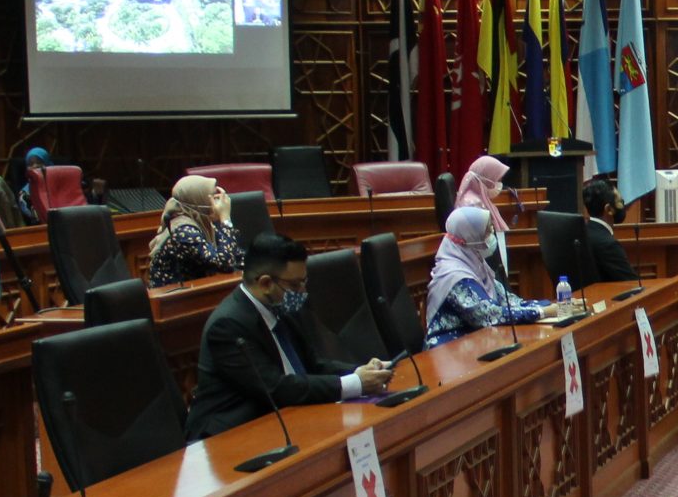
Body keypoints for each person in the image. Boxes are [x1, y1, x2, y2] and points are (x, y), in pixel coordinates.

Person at [182, 233, 390, 441]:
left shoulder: (280, 306)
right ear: (265, 283)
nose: (303, 291)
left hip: (284, 420)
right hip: (229, 437)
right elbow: (276, 388)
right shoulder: (228, 325)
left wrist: (359, 371)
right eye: (295, 285)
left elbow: (313, 366)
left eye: (304, 282)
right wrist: (355, 384)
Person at [424, 206, 548, 348]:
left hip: (476, 339)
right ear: (470, 236)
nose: (491, 235)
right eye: (487, 231)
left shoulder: (476, 265)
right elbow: (489, 315)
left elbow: (508, 301)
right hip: (449, 348)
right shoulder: (454, 276)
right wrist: (541, 312)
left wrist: (549, 306)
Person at [145, 175, 242, 286]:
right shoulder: (184, 231)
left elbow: (235, 255)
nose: (220, 203)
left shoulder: (204, 223)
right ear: (198, 200)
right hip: (173, 294)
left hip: (197, 287)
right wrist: (226, 219)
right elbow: (225, 264)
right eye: (214, 197)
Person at [455, 153, 520, 272]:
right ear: (486, 179)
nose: (500, 184)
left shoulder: (480, 199)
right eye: (497, 179)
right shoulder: (471, 204)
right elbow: (479, 246)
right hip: (476, 268)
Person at [581, 176, 642, 285]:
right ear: (609, 209)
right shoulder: (608, 245)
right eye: (620, 202)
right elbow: (632, 284)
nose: (623, 206)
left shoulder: (583, 233)